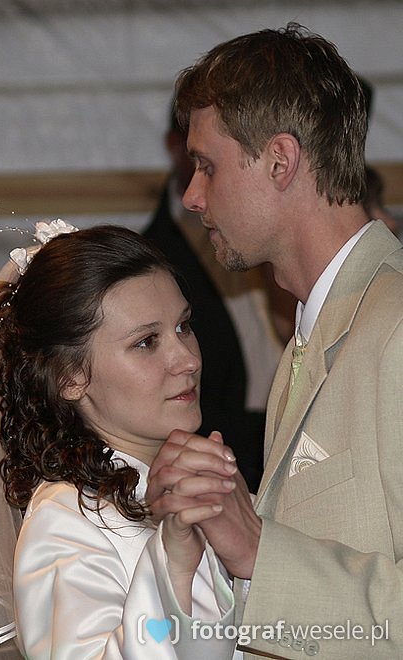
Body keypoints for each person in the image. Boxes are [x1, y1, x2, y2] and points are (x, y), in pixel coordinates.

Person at [146, 23, 403, 658]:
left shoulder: (395, 327)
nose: (192, 195)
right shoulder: (312, 336)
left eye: (207, 166)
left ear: (280, 162)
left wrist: (258, 548)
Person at [0, 220, 237, 659]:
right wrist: (172, 562)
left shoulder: (184, 483)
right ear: (71, 377)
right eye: (147, 342)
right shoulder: (64, 522)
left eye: (183, 326)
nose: (187, 359)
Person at [144, 104, 285, 493]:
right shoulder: (150, 257)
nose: (196, 191)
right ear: (174, 146)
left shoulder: (273, 227)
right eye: (198, 161)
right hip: (223, 450)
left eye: (209, 165)